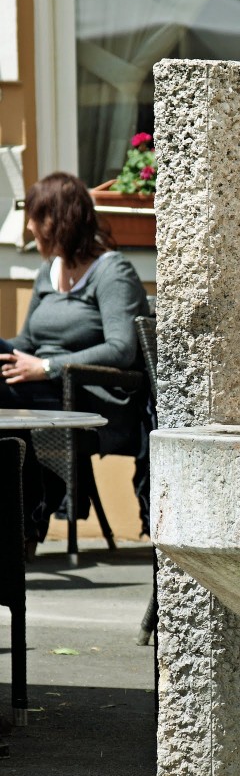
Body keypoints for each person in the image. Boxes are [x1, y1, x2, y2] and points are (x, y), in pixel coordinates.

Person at [0, 172, 151, 543]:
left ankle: (29, 510)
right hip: (41, 386)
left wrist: (49, 367)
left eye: (36, 216)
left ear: (57, 220)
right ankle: (26, 506)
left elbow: (121, 348)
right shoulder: (46, 272)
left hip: (89, 393)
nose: (30, 226)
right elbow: (28, 341)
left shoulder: (112, 271)